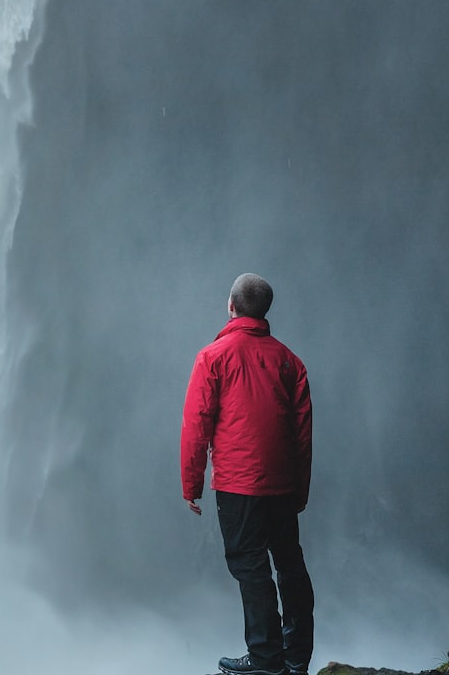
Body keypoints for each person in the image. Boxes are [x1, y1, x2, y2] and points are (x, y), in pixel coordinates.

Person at [180, 273, 315, 675]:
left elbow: (196, 424)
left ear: (231, 306)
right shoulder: (291, 361)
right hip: (281, 484)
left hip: (238, 485)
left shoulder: (212, 357)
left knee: (250, 566)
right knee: (289, 562)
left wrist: (191, 485)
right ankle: (296, 657)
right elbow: (302, 434)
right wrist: (300, 490)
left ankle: (266, 660)